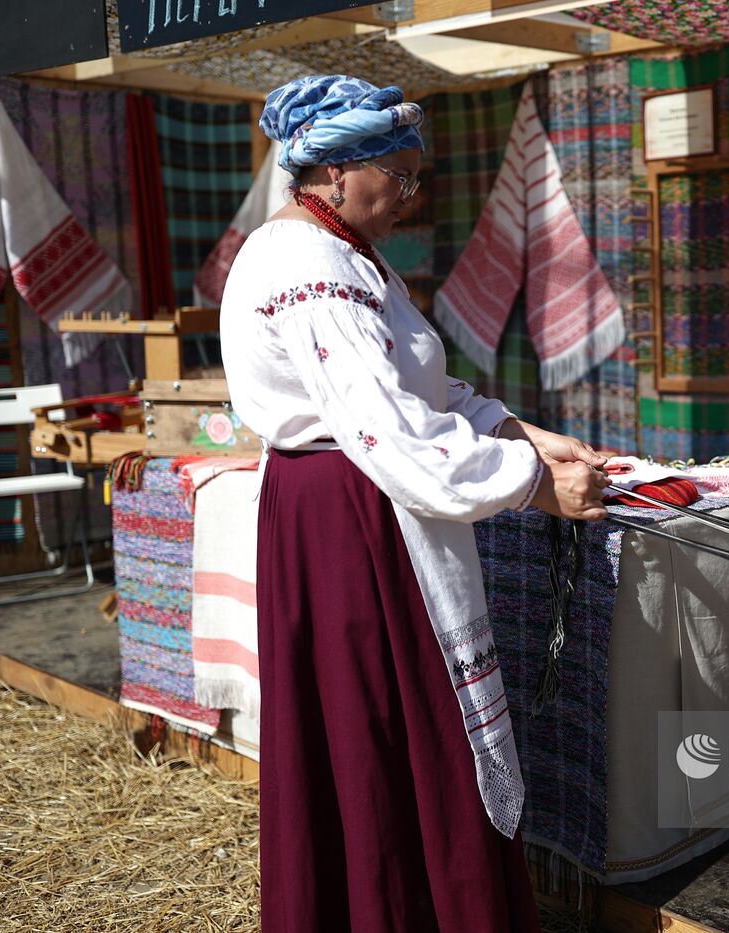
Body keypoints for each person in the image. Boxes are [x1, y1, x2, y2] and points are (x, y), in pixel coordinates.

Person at [219, 75, 610, 932]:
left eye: (413, 176)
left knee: (394, 727)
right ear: (332, 173)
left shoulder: (350, 253)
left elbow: (418, 386)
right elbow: (391, 433)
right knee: (388, 731)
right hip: (353, 523)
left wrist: (524, 432)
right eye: (398, 177)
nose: (411, 194)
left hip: (362, 505)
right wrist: (537, 486)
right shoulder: (309, 268)